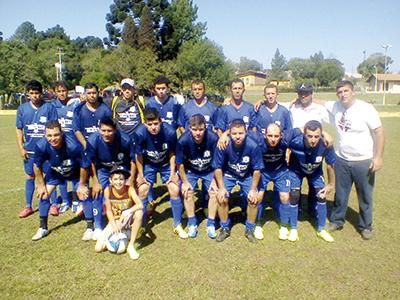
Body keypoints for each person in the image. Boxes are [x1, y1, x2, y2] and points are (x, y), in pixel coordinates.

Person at [324, 80, 384, 240]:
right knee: (341, 193)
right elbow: (318, 101)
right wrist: (300, 99)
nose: (343, 94)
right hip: (342, 159)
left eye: (345, 91)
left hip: (363, 160)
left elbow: (379, 132)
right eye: (340, 92)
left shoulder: (366, 109)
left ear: (353, 92)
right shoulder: (336, 106)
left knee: (365, 195)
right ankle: (337, 221)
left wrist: (378, 157)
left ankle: (365, 226)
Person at [31, 120, 94, 241]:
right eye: (49, 135)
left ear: (62, 133)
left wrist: (81, 184)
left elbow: (84, 165)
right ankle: (43, 227)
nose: (53, 138)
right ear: (45, 135)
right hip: (56, 172)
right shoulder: (41, 145)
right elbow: (36, 165)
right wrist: (40, 184)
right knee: (44, 195)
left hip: (76, 172)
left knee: (84, 194)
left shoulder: (73, 145)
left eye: (56, 135)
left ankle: (90, 228)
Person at [134, 108, 188, 238]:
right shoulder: (139, 133)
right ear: (145, 123)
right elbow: (138, 155)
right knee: (142, 190)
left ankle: (177, 225)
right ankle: (142, 225)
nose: (153, 127)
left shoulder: (169, 132)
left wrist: (172, 173)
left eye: (156, 124)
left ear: (161, 121)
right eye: (150, 124)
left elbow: (172, 153)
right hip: (148, 165)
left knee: (174, 188)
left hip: (165, 164)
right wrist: (140, 175)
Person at [212, 119, 264, 243]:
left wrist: (252, 189)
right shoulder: (223, 144)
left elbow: (257, 170)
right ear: (230, 133)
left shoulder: (253, 145)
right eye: (234, 133)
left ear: (246, 132)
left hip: (246, 175)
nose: (237, 136)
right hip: (229, 175)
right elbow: (217, 168)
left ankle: (250, 229)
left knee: (253, 199)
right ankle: (225, 228)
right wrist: (222, 187)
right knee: (222, 197)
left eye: (240, 133)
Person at [84, 117, 136, 240]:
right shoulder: (93, 140)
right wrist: (95, 181)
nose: (106, 134)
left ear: (115, 130)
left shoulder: (125, 139)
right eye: (103, 130)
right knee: (97, 192)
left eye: (109, 131)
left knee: (126, 192)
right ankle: (98, 227)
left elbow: (134, 160)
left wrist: (131, 179)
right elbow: (90, 162)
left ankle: (126, 223)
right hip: (103, 169)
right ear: (99, 129)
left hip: (121, 168)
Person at [287, 120, 335, 242]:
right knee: (294, 195)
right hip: (296, 171)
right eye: (309, 136)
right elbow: (280, 142)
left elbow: (330, 165)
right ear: (304, 134)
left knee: (321, 195)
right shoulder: (295, 142)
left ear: (321, 135)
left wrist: (331, 184)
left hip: (315, 172)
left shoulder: (326, 144)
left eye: (316, 136)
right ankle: (293, 228)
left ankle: (321, 229)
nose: (313, 140)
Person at [16, 80, 58, 218]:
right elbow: (19, 130)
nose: (34, 96)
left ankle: (53, 204)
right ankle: (28, 206)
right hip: (30, 151)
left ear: (41, 93)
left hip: (46, 151)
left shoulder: (49, 107)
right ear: (28, 94)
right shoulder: (22, 109)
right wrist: (21, 148)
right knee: (30, 176)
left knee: (50, 176)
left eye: (37, 93)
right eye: (32, 93)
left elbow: (54, 126)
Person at [176, 114, 219, 238]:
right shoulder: (183, 141)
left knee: (214, 192)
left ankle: (211, 224)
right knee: (188, 192)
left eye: (201, 129)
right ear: (189, 128)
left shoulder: (213, 138)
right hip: (191, 171)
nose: (198, 133)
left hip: (209, 170)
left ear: (205, 127)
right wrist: (185, 182)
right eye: (194, 130)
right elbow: (180, 164)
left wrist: (215, 180)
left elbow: (217, 162)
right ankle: (192, 222)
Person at [250, 123, 292, 240]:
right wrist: (224, 136)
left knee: (285, 197)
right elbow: (239, 130)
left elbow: (302, 129)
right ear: (264, 135)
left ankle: (283, 225)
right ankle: (257, 224)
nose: (273, 139)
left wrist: (324, 134)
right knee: (258, 196)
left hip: (280, 171)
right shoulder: (257, 138)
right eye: (270, 136)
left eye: (276, 136)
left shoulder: (286, 139)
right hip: (263, 171)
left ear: (281, 135)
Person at [95, 165, 143, 260]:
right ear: (110, 180)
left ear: (125, 180)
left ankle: (131, 245)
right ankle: (122, 235)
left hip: (127, 218)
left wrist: (128, 211)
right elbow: (108, 211)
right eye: (115, 179)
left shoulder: (130, 189)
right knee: (98, 248)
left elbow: (140, 205)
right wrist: (113, 225)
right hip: (116, 220)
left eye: (121, 179)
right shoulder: (108, 190)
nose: (118, 182)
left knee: (139, 213)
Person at [51, 81, 78, 214]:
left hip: (73, 145)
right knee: (60, 174)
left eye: (64, 91)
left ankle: (75, 200)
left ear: (68, 91)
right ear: (55, 92)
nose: (62, 93)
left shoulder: (74, 104)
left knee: (73, 174)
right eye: (59, 91)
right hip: (59, 146)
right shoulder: (52, 107)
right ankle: (66, 201)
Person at [73, 82, 112, 149]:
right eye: (89, 93)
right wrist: (86, 145)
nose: (92, 95)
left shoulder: (105, 109)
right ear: (85, 94)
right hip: (86, 147)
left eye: (94, 93)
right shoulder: (79, 110)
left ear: (98, 93)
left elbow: (110, 129)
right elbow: (76, 130)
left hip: (103, 147)